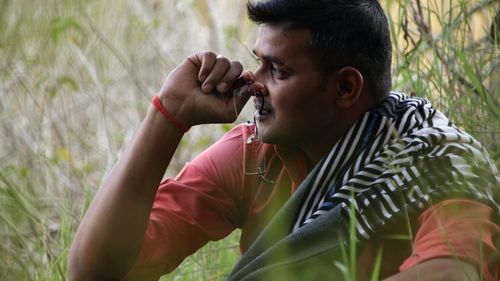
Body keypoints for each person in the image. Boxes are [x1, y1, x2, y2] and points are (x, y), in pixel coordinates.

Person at [68, 0, 500, 280]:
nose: (254, 83)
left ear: (345, 88)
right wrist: (167, 116)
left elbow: (450, 272)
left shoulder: (436, 164)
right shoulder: (255, 156)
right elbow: (93, 271)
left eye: (278, 70)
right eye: (259, 63)